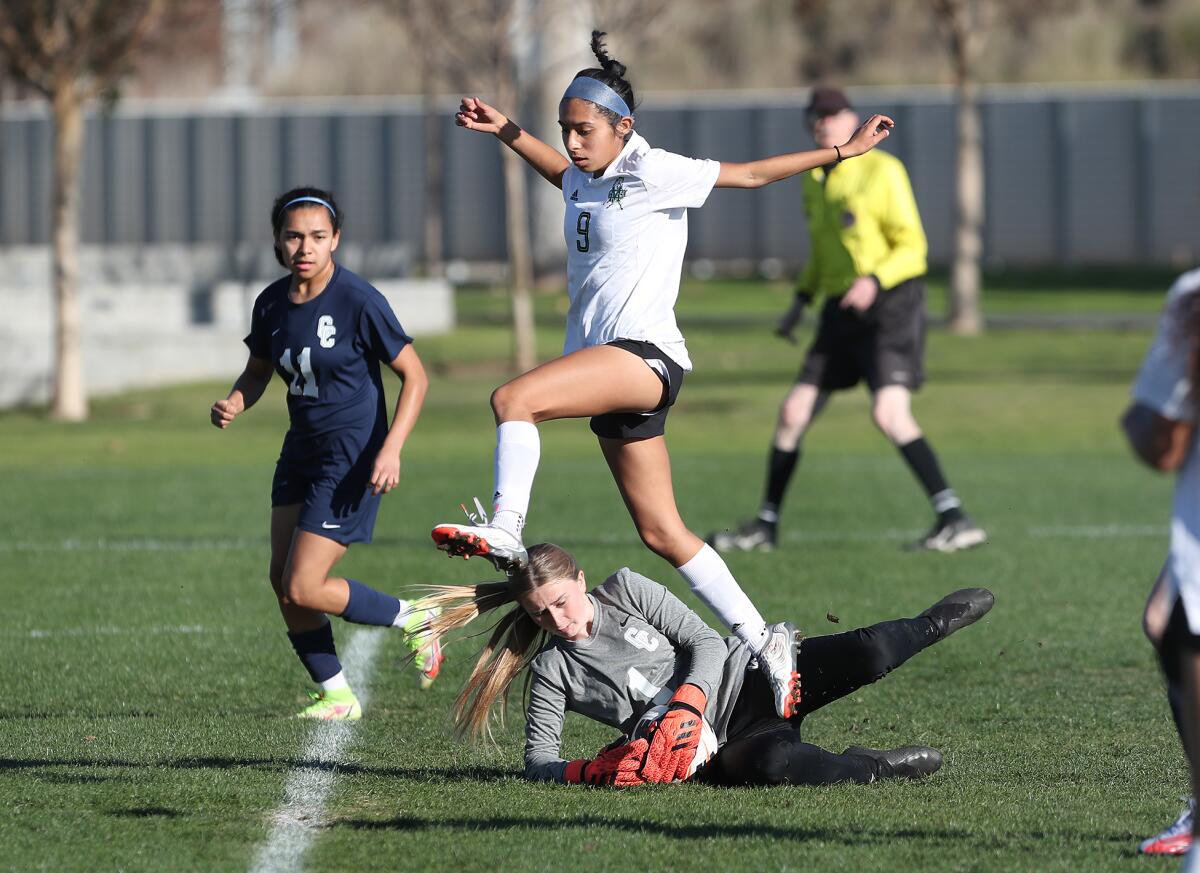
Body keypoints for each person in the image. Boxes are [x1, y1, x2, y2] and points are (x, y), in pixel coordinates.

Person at [430, 32, 894, 719]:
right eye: (566, 130)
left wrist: (840, 152)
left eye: (584, 129)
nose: (573, 141)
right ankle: (764, 639)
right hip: (610, 374)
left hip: (643, 357)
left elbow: (753, 175)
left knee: (513, 397)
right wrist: (508, 131)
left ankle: (507, 524)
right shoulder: (586, 173)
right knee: (663, 532)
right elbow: (563, 175)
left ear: (625, 127)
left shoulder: (656, 170)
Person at [418, 542, 993, 787]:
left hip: (751, 680)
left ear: (581, 581)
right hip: (711, 748)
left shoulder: (627, 589)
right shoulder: (551, 672)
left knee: (866, 653)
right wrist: (587, 771)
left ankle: (933, 624)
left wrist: (689, 698)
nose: (559, 622)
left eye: (562, 603)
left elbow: (706, 643)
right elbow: (538, 760)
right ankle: (872, 767)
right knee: (775, 768)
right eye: (541, 616)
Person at [709, 86, 985, 555]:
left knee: (889, 414)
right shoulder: (813, 177)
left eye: (833, 115)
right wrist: (801, 299)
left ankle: (955, 518)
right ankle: (766, 526)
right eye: (816, 116)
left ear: (853, 118)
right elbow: (822, 252)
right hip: (840, 310)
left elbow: (913, 247)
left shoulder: (884, 171)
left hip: (891, 305)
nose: (823, 123)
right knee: (792, 413)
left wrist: (875, 281)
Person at [210, 186, 442, 720]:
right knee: (283, 583)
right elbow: (259, 369)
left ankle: (413, 617)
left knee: (304, 583)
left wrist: (392, 449)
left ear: (335, 239)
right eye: (294, 236)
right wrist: (234, 402)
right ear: (278, 240)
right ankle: (336, 693)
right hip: (300, 452)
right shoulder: (270, 302)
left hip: (352, 457)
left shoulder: (359, 301)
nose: (305, 247)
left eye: (317, 236)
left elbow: (416, 376)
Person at [1121, 268, 1200, 862]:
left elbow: (1163, 443)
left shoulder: (1193, 299)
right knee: (1161, 617)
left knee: (1167, 621)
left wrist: (1134, 419)